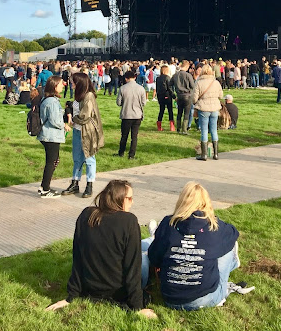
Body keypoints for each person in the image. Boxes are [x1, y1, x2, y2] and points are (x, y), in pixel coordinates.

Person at [46, 180, 156, 318]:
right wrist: (138, 306)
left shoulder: (87, 214)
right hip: (118, 291)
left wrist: (71, 296)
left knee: (142, 245)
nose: (132, 202)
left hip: (90, 288)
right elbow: (132, 266)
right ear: (119, 198)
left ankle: (153, 238)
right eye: (130, 198)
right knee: (146, 256)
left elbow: (78, 257)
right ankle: (154, 239)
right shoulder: (129, 221)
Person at [146, 182, 240, 310]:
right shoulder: (214, 226)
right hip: (204, 299)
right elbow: (234, 233)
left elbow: (154, 257)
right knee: (229, 245)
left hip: (170, 298)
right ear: (206, 203)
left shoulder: (168, 223)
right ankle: (221, 290)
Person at [62, 72, 104, 199]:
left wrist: (73, 119)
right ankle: (75, 182)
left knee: (89, 158)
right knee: (77, 158)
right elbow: (76, 108)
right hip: (76, 130)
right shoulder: (78, 95)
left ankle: (89, 184)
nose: (71, 84)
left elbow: (85, 116)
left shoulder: (89, 96)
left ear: (80, 82)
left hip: (87, 131)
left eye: (73, 82)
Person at [37, 75, 70, 198]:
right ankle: (45, 189)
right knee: (52, 162)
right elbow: (55, 120)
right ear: (55, 86)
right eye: (61, 84)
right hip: (50, 135)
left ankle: (44, 186)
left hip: (49, 135)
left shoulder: (49, 100)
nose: (63, 86)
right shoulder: (51, 101)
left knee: (54, 161)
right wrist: (64, 125)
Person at [193, 64, 223, 161]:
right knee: (214, 130)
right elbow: (221, 95)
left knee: (204, 131)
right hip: (215, 108)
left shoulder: (198, 82)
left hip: (203, 108)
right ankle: (216, 154)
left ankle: (204, 155)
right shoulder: (216, 82)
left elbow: (194, 98)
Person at [115, 70, 146, 159]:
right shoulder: (141, 88)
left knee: (124, 135)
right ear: (135, 77)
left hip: (126, 114)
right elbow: (144, 103)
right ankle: (131, 155)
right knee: (134, 136)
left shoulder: (123, 88)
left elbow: (118, 102)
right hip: (137, 115)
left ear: (126, 78)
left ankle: (121, 152)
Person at [171, 60, 194, 134]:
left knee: (179, 112)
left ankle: (178, 128)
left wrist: (173, 94)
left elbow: (170, 84)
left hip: (179, 96)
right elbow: (193, 86)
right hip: (187, 95)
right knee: (186, 113)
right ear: (187, 66)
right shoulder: (188, 75)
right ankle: (184, 130)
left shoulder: (175, 75)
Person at [155, 65, 175, 131]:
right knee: (170, 110)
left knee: (161, 110)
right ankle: (172, 126)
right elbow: (169, 88)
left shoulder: (158, 78)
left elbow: (157, 88)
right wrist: (174, 96)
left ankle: (159, 124)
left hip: (160, 96)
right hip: (167, 95)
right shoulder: (167, 78)